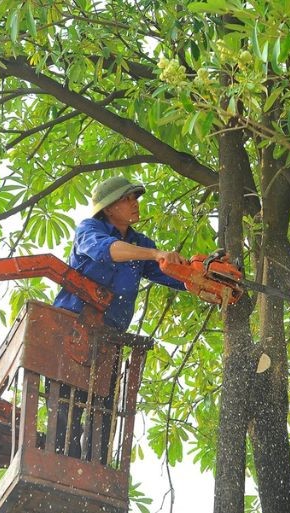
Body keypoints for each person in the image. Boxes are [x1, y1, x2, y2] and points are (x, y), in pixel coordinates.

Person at [50, 176, 187, 461]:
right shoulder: (90, 229)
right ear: (109, 208)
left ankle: (93, 473)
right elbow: (107, 250)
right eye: (128, 199)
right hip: (72, 332)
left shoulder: (138, 242)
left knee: (104, 411)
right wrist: (156, 253)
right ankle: (62, 465)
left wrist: (200, 277)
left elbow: (172, 275)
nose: (135, 204)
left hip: (108, 338)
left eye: (135, 198)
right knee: (67, 409)